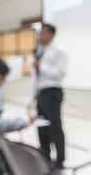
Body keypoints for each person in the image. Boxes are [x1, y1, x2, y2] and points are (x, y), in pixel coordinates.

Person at [34, 24, 67, 169]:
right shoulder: (41, 51)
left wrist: (41, 66)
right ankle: (45, 155)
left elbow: (60, 73)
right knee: (41, 126)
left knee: (55, 127)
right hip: (41, 92)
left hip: (52, 92)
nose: (40, 35)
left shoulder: (59, 51)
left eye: (42, 33)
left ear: (51, 34)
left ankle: (59, 160)